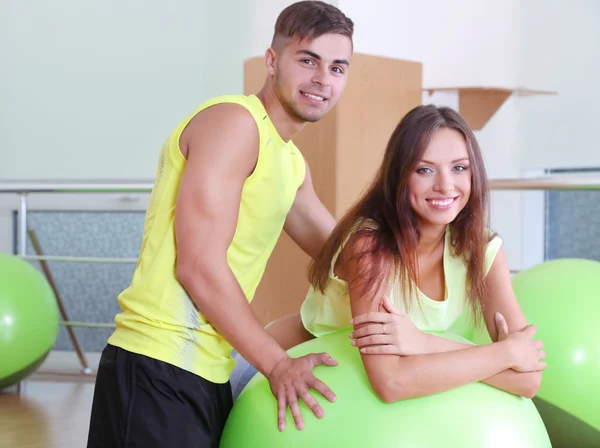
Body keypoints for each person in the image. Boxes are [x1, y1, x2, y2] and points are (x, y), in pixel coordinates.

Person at [86, 2, 354, 447]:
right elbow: (198, 266)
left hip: (208, 372)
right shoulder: (235, 123)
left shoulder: (289, 163)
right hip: (157, 363)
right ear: (272, 61)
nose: (322, 79)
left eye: (337, 67)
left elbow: (343, 254)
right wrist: (277, 363)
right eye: (308, 60)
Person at [232, 104, 547, 404]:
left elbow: (529, 381)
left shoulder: (482, 251)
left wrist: (425, 343)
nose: (445, 185)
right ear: (399, 176)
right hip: (265, 380)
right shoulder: (369, 247)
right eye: (425, 170)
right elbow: (391, 382)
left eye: (459, 168)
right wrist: (506, 354)